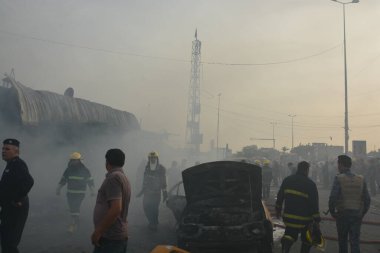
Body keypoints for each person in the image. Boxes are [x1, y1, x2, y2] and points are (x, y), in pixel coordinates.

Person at [329, 155, 371, 253]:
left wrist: (332, 212)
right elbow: (367, 199)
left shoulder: (338, 178)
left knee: (343, 241)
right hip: (356, 215)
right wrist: (362, 213)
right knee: (355, 242)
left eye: (338, 164)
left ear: (340, 165)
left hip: (342, 215)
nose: (337, 166)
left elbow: (333, 197)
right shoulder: (361, 179)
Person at [275, 161, 320, 253]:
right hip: (304, 219)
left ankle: (285, 247)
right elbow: (314, 204)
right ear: (307, 170)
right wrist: (317, 219)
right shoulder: (310, 184)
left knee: (290, 234)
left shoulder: (287, 180)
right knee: (307, 239)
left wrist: (278, 210)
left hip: (288, 217)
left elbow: (280, 196)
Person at [91, 149, 131, 253]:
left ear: (107, 162)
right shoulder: (122, 177)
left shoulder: (113, 178)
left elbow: (116, 209)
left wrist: (98, 231)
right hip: (114, 237)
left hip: (110, 238)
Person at [0, 138, 34, 253]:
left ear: (16, 151)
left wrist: (18, 199)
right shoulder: (10, 164)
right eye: (3, 148)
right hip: (8, 208)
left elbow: (29, 181)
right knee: (5, 239)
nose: (3, 151)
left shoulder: (18, 164)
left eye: (7, 149)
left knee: (10, 242)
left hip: (16, 209)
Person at [56, 152, 95, 232]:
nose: (73, 162)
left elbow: (90, 181)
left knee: (75, 207)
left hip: (80, 193)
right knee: (72, 208)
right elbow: (63, 180)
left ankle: (73, 224)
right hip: (70, 193)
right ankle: (75, 221)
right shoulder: (68, 170)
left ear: (79, 161)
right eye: (72, 160)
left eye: (75, 160)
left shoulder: (85, 170)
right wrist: (58, 189)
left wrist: (92, 191)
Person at [136, 151, 167, 231]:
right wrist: (142, 191)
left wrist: (164, 192)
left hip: (156, 193)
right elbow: (145, 180)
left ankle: (154, 223)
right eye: (151, 158)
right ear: (149, 159)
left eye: (154, 157)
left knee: (154, 208)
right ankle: (151, 221)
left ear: (157, 158)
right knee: (146, 207)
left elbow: (163, 181)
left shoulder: (161, 168)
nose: (152, 159)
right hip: (147, 192)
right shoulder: (147, 167)